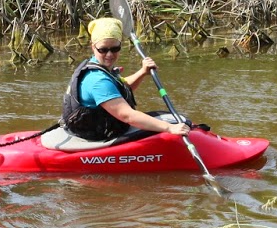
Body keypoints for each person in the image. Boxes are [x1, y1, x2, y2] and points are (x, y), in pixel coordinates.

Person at [61, 17, 192, 141]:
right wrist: (169, 128)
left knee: (179, 119)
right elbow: (127, 115)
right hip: (98, 134)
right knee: (170, 123)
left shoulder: (99, 66)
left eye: (115, 48)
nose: (109, 55)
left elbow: (120, 89)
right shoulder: (97, 81)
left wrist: (142, 72)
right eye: (103, 50)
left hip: (101, 127)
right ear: (92, 46)